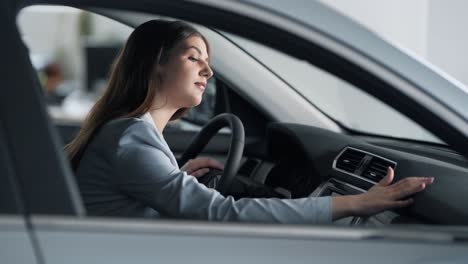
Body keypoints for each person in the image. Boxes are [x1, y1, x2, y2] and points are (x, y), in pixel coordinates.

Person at [65, 20, 434, 223]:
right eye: (194, 58)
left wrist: (176, 176)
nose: (208, 70)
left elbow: (137, 196)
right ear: (155, 62)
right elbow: (223, 212)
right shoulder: (130, 139)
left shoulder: (131, 135)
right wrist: (357, 203)